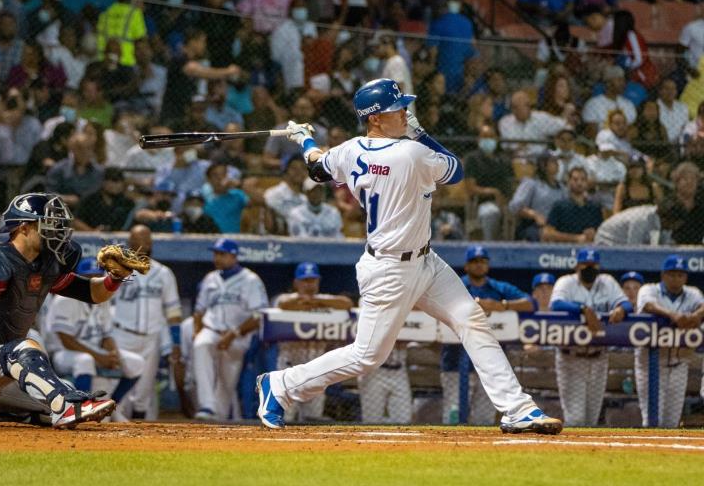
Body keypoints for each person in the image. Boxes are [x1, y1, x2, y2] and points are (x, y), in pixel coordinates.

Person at [256, 78, 562, 434]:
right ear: (375, 118)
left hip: (425, 262)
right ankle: (280, 385)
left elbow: (317, 168)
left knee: (471, 320)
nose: (404, 113)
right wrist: (420, 133)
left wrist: (304, 139)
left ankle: (517, 408)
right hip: (389, 269)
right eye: (396, 109)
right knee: (367, 356)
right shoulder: (411, 153)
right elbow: (457, 169)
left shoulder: (351, 149)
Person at [0, 193, 144, 429]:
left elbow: (91, 293)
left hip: (0, 368)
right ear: (23, 227)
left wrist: (114, 279)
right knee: (30, 351)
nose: (58, 232)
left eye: (59, 226)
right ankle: (65, 408)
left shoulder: (47, 262)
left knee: (55, 401)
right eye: (49, 225)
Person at [441, 246, 537, 426]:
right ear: (467, 266)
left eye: (482, 262)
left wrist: (502, 305)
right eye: (474, 262)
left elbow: (530, 303)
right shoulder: (456, 285)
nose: (478, 265)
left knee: (483, 419)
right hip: (455, 361)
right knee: (452, 416)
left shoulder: (498, 288)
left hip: (490, 367)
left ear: (488, 265)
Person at [41, 257, 145, 415]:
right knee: (85, 361)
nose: (93, 280)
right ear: (79, 278)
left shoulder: (103, 297)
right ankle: (82, 410)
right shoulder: (65, 299)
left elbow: (106, 335)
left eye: (97, 276)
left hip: (93, 350)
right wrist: (99, 357)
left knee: (136, 363)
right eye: (88, 277)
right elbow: (66, 340)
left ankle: (111, 408)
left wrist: (113, 354)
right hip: (62, 354)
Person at [550, 248, 632, 427]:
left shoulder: (607, 281)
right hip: (571, 356)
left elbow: (626, 303)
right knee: (576, 418)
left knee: (591, 418)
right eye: (585, 265)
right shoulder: (566, 282)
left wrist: (621, 309)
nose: (589, 268)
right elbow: (555, 304)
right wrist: (583, 309)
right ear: (577, 266)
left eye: (593, 265)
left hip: (599, 356)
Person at [109, 226, 182, 420]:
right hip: (122, 335)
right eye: (135, 239)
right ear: (129, 242)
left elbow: (173, 312)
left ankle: (140, 435)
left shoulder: (164, 273)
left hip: (152, 339)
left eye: (144, 239)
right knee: (119, 389)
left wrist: (176, 341)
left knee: (144, 391)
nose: (140, 243)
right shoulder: (117, 270)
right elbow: (105, 304)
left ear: (150, 243)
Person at [193, 238, 268, 420]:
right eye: (216, 254)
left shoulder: (250, 279)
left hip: (238, 336)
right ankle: (207, 405)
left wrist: (234, 334)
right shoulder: (210, 278)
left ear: (234, 256)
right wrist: (198, 332)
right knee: (201, 345)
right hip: (212, 330)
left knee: (227, 383)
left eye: (222, 254)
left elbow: (259, 315)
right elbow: (199, 311)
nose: (217, 258)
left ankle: (218, 418)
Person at [275, 262, 353, 423]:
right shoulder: (286, 298)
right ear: (296, 282)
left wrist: (317, 302)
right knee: (285, 416)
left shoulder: (324, 299)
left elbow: (347, 303)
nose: (309, 284)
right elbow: (283, 305)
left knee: (313, 418)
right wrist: (303, 301)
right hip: (289, 367)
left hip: (316, 369)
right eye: (305, 280)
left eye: (312, 280)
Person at [634, 256, 704, 428]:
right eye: (672, 274)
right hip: (651, 364)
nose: (676, 279)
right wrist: (672, 315)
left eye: (680, 275)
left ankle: (666, 452)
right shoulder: (649, 289)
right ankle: (648, 452)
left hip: (679, 363)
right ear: (663, 275)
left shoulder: (693, 293)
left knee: (672, 420)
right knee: (651, 418)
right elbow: (648, 306)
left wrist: (696, 315)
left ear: (685, 277)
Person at [464, 124, 513, 240]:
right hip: (483, 202)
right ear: (478, 140)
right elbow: (470, 188)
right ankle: (489, 245)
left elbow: (511, 183)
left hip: (505, 202)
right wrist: (493, 192)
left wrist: (506, 200)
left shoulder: (504, 160)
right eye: (485, 137)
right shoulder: (472, 159)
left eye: (491, 137)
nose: (488, 140)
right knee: (490, 213)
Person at [509, 152, 567, 241]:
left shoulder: (562, 188)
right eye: (553, 162)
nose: (557, 164)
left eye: (557, 162)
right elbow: (515, 206)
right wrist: (534, 215)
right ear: (543, 165)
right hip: (534, 226)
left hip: (557, 226)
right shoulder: (531, 184)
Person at [498, 90, 569, 158]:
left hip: (539, 159)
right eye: (513, 107)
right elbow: (506, 146)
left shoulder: (541, 118)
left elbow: (564, 126)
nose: (514, 110)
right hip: (514, 159)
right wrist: (517, 148)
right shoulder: (505, 122)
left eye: (527, 105)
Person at [542, 167, 604, 243]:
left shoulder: (595, 207)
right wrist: (576, 238)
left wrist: (594, 235)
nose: (579, 183)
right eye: (575, 180)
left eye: (583, 180)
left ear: (587, 182)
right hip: (563, 250)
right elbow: (547, 233)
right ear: (568, 182)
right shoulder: (559, 206)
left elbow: (602, 233)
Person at [45, 132, 103, 208]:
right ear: (73, 150)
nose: (86, 152)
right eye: (81, 148)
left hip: (88, 213)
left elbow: (96, 195)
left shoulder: (98, 171)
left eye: (89, 148)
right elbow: (49, 194)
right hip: (62, 210)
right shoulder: (59, 169)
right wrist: (67, 199)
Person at [75, 167, 135, 232]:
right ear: (103, 182)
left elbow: (130, 224)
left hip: (119, 239)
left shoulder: (127, 202)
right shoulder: (89, 199)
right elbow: (76, 221)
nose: (117, 185)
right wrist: (93, 232)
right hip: (90, 238)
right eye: (113, 181)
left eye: (120, 182)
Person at [582, 66, 637, 133]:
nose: (623, 84)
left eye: (623, 80)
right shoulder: (593, 104)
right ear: (608, 83)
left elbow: (633, 130)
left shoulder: (628, 104)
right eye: (619, 80)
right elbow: (591, 131)